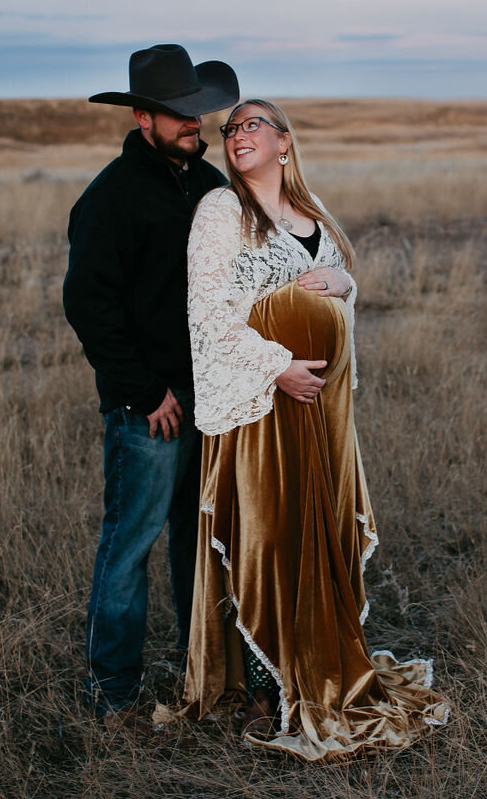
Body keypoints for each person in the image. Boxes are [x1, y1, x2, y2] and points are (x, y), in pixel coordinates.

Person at [175, 99, 449, 761]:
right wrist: (280, 365)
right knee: (265, 539)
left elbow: (336, 286)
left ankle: (317, 667)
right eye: (230, 129)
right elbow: (212, 314)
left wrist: (341, 278)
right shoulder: (221, 211)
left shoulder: (311, 211)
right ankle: (267, 691)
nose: (237, 135)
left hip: (317, 408)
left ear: (285, 144)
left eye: (251, 126)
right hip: (260, 401)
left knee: (314, 531)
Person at [63, 44, 239, 735]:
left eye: (197, 110)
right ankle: (113, 701)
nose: (196, 124)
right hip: (149, 412)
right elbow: (89, 306)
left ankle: (206, 678)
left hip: (209, 401)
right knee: (130, 546)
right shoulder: (109, 199)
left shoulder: (207, 187)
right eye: (179, 114)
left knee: (200, 546)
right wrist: (143, 392)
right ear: (143, 119)